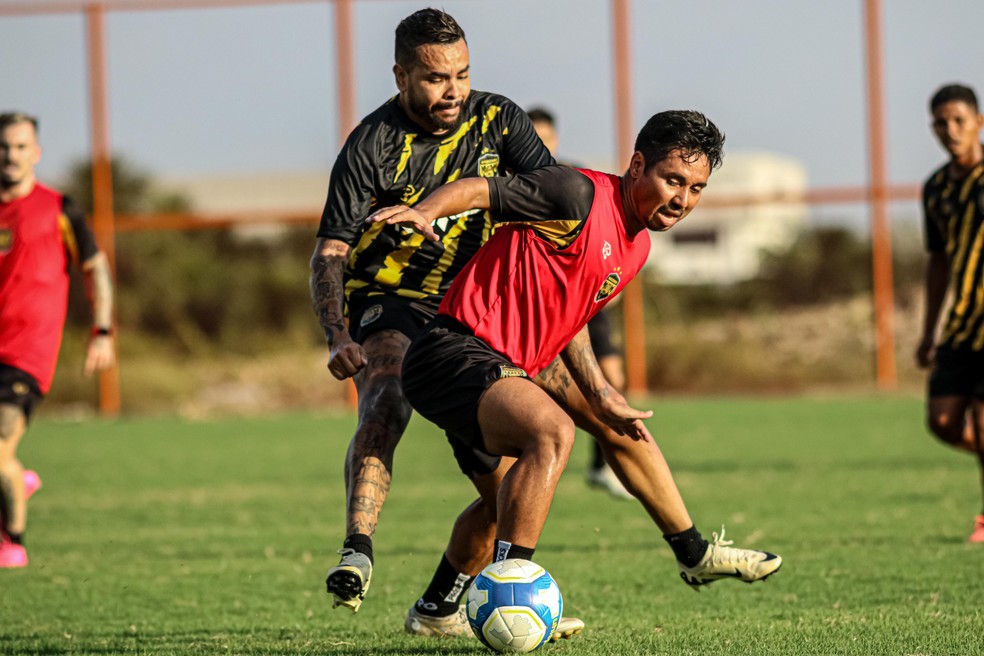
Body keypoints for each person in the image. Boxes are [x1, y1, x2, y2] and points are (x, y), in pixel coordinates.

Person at [368, 110, 783, 614]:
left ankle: (692, 554)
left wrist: (600, 391)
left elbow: (570, 315)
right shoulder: (577, 194)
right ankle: (511, 596)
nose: (682, 199)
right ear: (636, 165)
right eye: (672, 179)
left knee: (610, 436)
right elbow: (482, 189)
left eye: (696, 188)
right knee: (552, 432)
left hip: (518, 364)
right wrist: (428, 210)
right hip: (453, 351)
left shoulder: (638, 245)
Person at [309, 8, 586, 639]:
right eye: (436, 78)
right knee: (386, 394)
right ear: (402, 74)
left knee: (504, 491)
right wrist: (338, 335)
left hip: (470, 310)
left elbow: (547, 195)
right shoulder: (370, 144)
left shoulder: (500, 118)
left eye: (462, 74)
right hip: (391, 297)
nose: (453, 90)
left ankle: (448, 608)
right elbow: (330, 250)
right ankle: (358, 549)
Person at [0, 112, 116, 568]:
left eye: (20, 147)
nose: (11, 155)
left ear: (37, 153)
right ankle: (16, 477)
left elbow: (96, 268)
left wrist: (102, 330)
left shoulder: (58, 208)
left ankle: (13, 541)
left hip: (28, 352)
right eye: (4, 147)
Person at [528, 106, 632, 500]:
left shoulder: (575, 178)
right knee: (557, 396)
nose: (543, 145)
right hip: (547, 306)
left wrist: (611, 281)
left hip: (588, 299)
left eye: (548, 137)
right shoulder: (517, 183)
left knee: (614, 380)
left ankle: (600, 467)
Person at [916, 83, 984, 543]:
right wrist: (928, 331)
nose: (951, 129)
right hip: (962, 324)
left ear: (978, 121)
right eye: (942, 122)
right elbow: (938, 262)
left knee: (983, 423)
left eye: (959, 119)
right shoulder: (936, 188)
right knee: (942, 422)